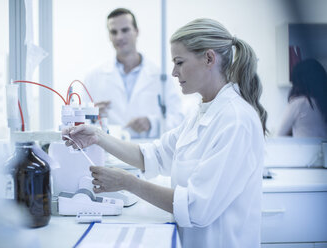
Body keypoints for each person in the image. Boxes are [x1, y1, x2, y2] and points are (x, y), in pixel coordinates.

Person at [63, 18, 267, 247]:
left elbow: (196, 208)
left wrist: (129, 183)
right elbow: (153, 155)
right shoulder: (203, 111)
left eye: (179, 62)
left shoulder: (235, 120)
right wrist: (97, 136)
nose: (173, 72)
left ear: (209, 58)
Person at [84, 8, 184, 138]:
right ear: (109, 36)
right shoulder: (94, 76)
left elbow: (178, 118)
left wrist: (152, 123)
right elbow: (82, 121)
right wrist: (92, 116)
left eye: (125, 30)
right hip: (109, 151)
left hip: (148, 151)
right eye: (114, 32)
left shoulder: (160, 75)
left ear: (136, 31)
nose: (119, 37)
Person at [277, 58, 327, 139]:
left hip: (304, 150)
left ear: (298, 82)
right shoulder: (323, 102)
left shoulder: (299, 103)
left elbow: (279, 135)